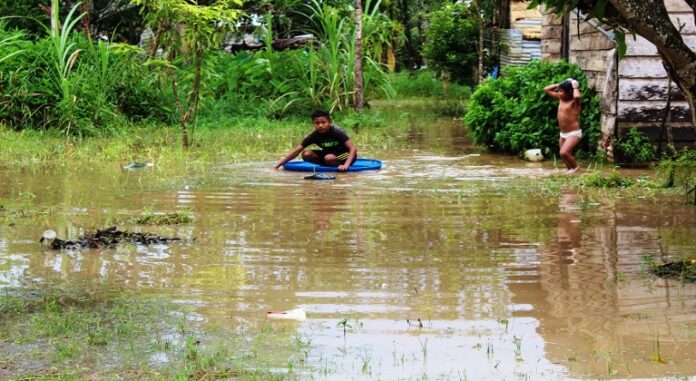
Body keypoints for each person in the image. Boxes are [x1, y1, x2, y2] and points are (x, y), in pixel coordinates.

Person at [273, 110, 357, 171]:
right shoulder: (314, 135)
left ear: (329, 122)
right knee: (306, 154)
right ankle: (328, 165)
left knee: (329, 158)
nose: (320, 125)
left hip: (345, 155)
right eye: (317, 123)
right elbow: (296, 151)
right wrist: (276, 166)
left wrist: (346, 165)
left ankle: (335, 165)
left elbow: (353, 149)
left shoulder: (337, 131)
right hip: (328, 156)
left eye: (323, 122)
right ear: (313, 123)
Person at [544, 78, 582, 174]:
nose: (559, 93)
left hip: (574, 133)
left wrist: (574, 86)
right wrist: (561, 84)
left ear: (569, 92)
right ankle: (570, 171)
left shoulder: (574, 102)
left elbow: (577, 97)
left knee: (564, 152)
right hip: (563, 134)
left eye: (561, 91)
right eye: (558, 91)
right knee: (563, 155)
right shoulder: (561, 99)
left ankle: (576, 169)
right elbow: (546, 89)